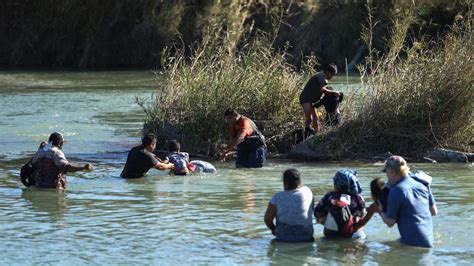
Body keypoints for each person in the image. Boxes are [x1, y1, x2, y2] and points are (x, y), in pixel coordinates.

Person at [377, 155, 438, 248]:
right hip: (428, 241)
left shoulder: (396, 191)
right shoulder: (422, 184)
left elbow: (390, 222)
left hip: (412, 245)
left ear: (392, 172)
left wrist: (380, 211)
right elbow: (434, 212)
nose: (387, 176)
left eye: (387, 173)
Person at [313, 169, 368, 239]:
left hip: (332, 237)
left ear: (337, 184)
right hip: (357, 235)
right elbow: (363, 216)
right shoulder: (359, 198)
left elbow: (317, 213)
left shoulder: (330, 197)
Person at [264, 169, 314, 242]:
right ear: (299, 182)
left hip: (283, 238)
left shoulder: (277, 197)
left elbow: (267, 219)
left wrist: (273, 229)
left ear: (284, 183)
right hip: (306, 237)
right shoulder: (307, 192)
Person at [299, 64, 341, 137]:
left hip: (312, 101)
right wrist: (334, 92)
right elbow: (322, 89)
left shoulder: (322, 76)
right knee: (309, 119)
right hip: (305, 99)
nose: (332, 77)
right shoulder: (322, 77)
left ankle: (316, 135)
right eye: (332, 74)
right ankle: (307, 134)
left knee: (316, 118)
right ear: (327, 72)